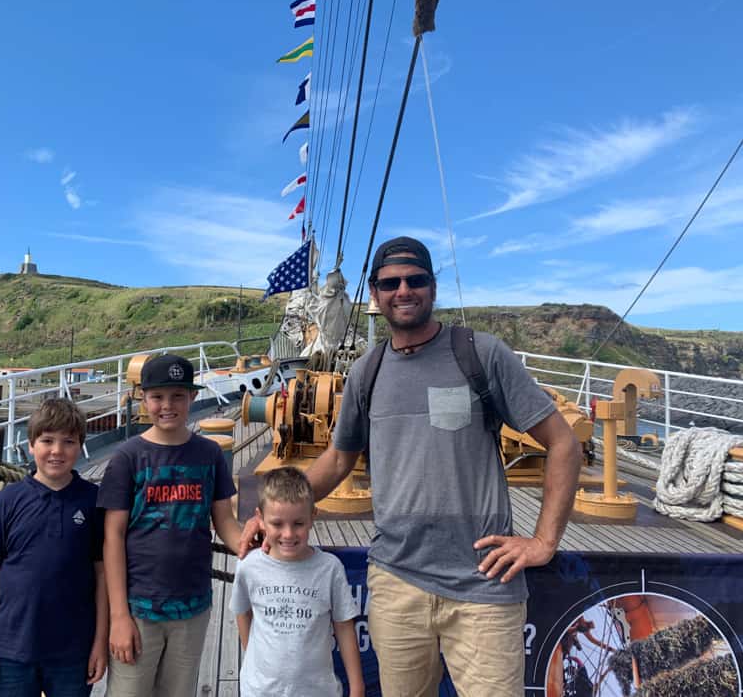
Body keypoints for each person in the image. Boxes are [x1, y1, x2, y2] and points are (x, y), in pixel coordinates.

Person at [240, 236, 582, 697]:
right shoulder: (368, 371)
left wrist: (544, 541)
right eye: (390, 282)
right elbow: (339, 459)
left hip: (483, 585)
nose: (404, 290)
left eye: (415, 279)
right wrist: (270, 515)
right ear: (376, 295)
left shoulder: (481, 354)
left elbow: (562, 442)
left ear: (432, 288)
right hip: (397, 583)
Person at [99, 354, 243, 697]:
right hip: (138, 608)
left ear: (192, 397)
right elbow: (113, 536)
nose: (168, 405)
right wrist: (119, 616)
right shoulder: (127, 458)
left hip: (192, 606)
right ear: (144, 398)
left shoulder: (208, 455)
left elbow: (224, 520)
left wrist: (257, 549)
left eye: (178, 395)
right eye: (158, 397)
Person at [0, 398, 107, 696]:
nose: (57, 450)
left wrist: (99, 642)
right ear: (31, 445)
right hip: (12, 649)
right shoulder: (9, 500)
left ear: (80, 445)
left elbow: (102, 575)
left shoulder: (93, 501)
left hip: (73, 650)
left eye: (68, 442)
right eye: (47, 440)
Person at [231, 466, 365, 697]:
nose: (288, 534)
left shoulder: (329, 568)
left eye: (298, 524)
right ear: (260, 519)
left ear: (313, 516)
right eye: (277, 524)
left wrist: (357, 687)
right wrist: (251, 658)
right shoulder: (249, 566)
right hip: (260, 690)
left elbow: (344, 626)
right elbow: (243, 613)